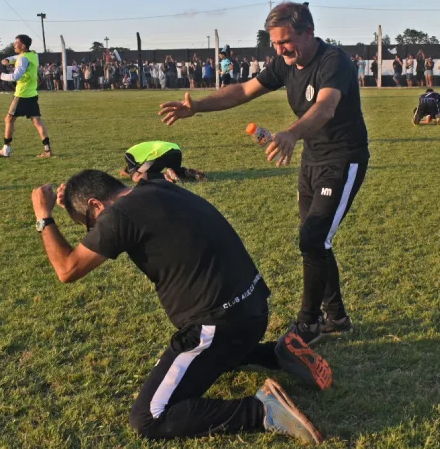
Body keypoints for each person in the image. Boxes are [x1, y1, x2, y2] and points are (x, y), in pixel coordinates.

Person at [29, 170, 332, 442]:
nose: (94, 235)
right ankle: (274, 354)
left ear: (97, 205)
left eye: (90, 226)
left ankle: (260, 410)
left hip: (219, 325)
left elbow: (67, 269)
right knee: (210, 358)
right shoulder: (157, 185)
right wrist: (73, 196)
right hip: (253, 310)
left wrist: (44, 215)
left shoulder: (117, 215)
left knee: (149, 416)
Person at [158, 2, 369, 346]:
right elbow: (242, 91)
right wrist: (197, 106)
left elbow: (326, 106)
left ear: (308, 32)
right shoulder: (283, 64)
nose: (280, 49)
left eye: (286, 41)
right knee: (315, 240)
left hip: (344, 160)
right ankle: (337, 316)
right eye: (274, 43)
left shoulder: (335, 62)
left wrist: (291, 133)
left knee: (313, 239)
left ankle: (309, 323)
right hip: (313, 160)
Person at [0, 34, 52, 158]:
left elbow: (15, 76)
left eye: (16, 43)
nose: (14, 45)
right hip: (32, 94)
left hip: (21, 95)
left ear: (23, 45)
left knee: (9, 119)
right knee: (37, 121)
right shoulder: (34, 55)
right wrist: (9, 60)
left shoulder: (23, 59)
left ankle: (5, 151)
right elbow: (19, 57)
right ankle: (47, 151)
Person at [119, 141, 206, 183]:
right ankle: (188, 172)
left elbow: (133, 174)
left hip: (159, 153)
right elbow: (147, 169)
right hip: (175, 150)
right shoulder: (140, 154)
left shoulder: (128, 155)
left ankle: (166, 176)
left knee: (136, 177)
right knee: (177, 172)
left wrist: (125, 173)